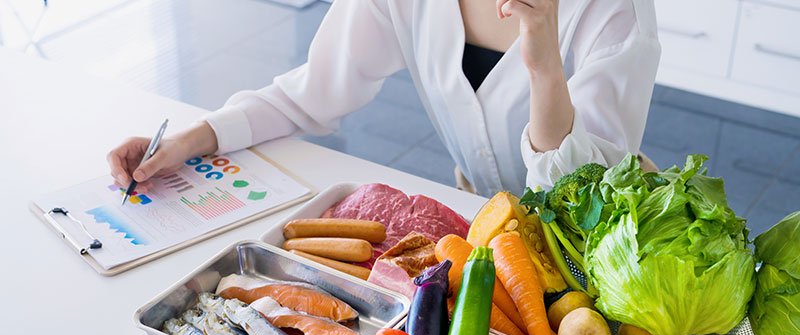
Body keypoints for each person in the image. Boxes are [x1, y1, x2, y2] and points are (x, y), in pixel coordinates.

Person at [107, 0, 660, 197]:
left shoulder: (614, 13)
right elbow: (312, 92)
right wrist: (192, 138)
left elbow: (586, 198)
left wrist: (544, 70)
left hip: (592, 255)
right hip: (483, 230)